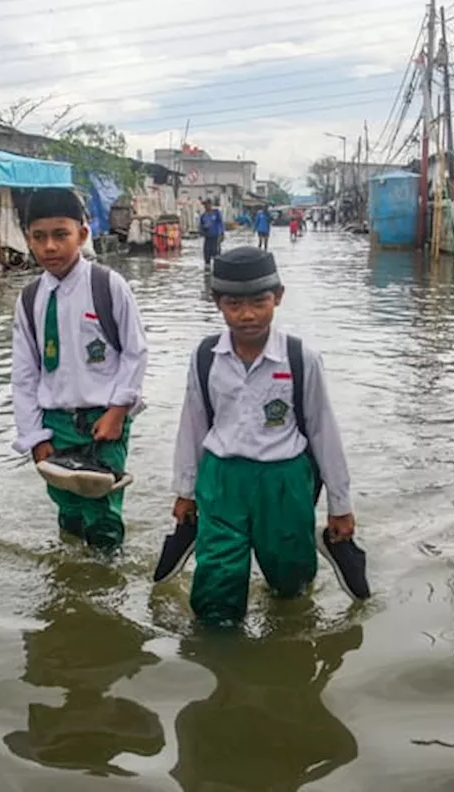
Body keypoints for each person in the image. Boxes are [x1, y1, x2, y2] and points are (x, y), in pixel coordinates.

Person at [155, 247, 369, 625]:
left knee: (291, 584)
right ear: (216, 302)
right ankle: (222, 661)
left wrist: (340, 505)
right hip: (221, 481)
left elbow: (323, 431)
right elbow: (193, 424)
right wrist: (185, 491)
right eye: (234, 304)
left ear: (279, 297)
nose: (248, 314)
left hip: (284, 482)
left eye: (259, 301)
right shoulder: (205, 357)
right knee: (216, 584)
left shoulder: (301, 358)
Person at [11, 187, 149, 552]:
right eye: (39, 237)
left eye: (61, 235)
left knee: (102, 513)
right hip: (55, 424)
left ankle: (107, 587)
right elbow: (24, 375)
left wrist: (118, 411)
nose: (50, 247)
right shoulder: (29, 300)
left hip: (104, 421)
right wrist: (35, 437)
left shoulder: (107, 286)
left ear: (82, 235)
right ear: (28, 240)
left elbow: (136, 352)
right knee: (67, 509)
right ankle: (70, 580)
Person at [200, 199, 224, 266]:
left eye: (207, 204)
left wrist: (222, 233)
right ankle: (207, 272)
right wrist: (204, 229)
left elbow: (221, 223)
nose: (205, 206)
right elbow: (200, 228)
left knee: (217, 256)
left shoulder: (216, 213)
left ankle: (218, 268)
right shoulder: (203, 216)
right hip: (207, 238)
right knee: (207, 256)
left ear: (211, 205)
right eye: (204, 205)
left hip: (216, 238)